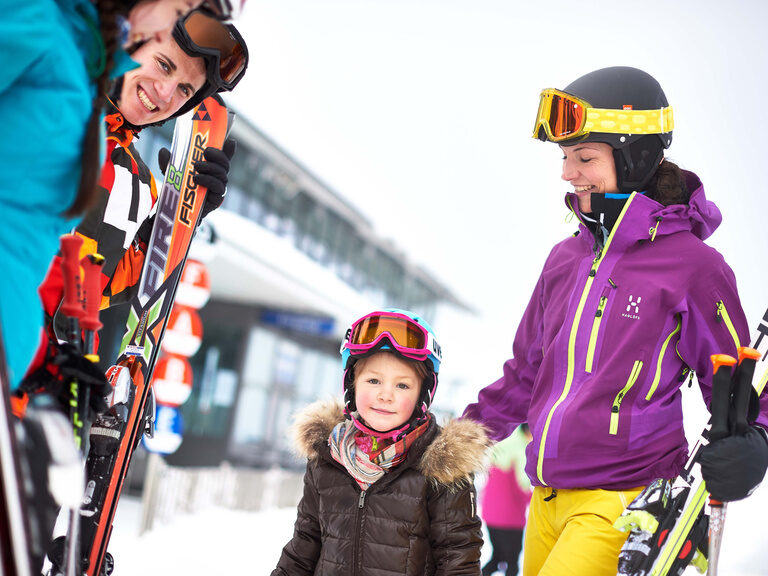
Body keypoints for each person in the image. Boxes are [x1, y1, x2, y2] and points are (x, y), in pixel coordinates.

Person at [462, 66, 768, 576]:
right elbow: (525, 376)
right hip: (545, 502)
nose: (567, 173)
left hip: (622, 502)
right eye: (565, 158)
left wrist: (756, 440)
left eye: (584, 158)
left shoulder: (692, 266)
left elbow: (740, 383)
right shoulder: (565, 258)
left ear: (635, 159)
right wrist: (452, 444)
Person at [19, 9, 249, 418]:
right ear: (136, 38)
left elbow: (105, 285)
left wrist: (180, 219)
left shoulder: (136, 183)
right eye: (163, 64)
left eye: (183, 90)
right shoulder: (45, 99)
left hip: (33, 398)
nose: (163, 93)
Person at [273, 309, 491, 575]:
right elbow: (303, 546)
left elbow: (458, 560)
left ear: (423, 394)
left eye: (402, 386)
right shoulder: (327, 457)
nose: (385, 394)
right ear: (352, 385)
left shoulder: (442, 469)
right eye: (373, 380)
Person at [480, 424, 532, 576]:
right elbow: (520, 488)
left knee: (497, 559)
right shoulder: (521, 450)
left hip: (491, 516)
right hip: (510, 520)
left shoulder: (503, 443)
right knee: (512, 565)